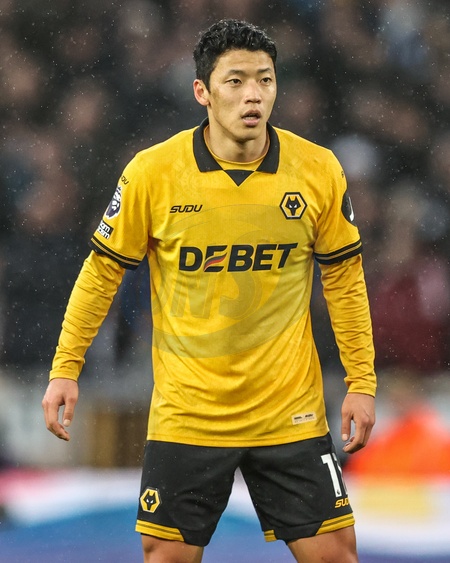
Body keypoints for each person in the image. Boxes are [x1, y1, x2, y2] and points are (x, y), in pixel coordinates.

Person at [42, 19, 376, 563]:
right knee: (167, 557)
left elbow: (344, 278)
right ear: (202, 91)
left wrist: (361, 382)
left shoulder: (318, 170)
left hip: (288, 412)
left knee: (336, 555)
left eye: (265, 80)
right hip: (189, 413)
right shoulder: (153, 173)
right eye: (235, 81)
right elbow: (101, 274)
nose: (253, 94)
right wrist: (65, 368)